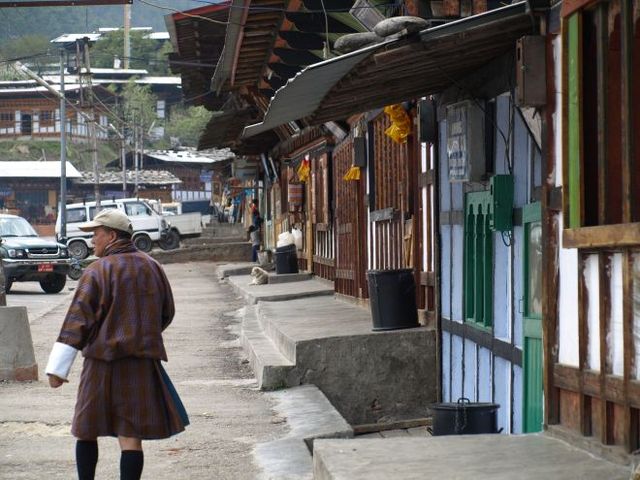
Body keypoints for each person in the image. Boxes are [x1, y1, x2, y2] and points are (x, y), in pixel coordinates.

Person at [45, 209, 188, 480]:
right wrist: (142, 334)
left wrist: (57, 370)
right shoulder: (153, 266)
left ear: (111, 236)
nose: (92, 241)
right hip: (140, 363)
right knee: (130, 435)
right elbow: (166, 312)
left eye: (96, 235)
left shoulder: (97, 271)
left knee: (86, 429)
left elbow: (77, 320)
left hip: (101, 364)